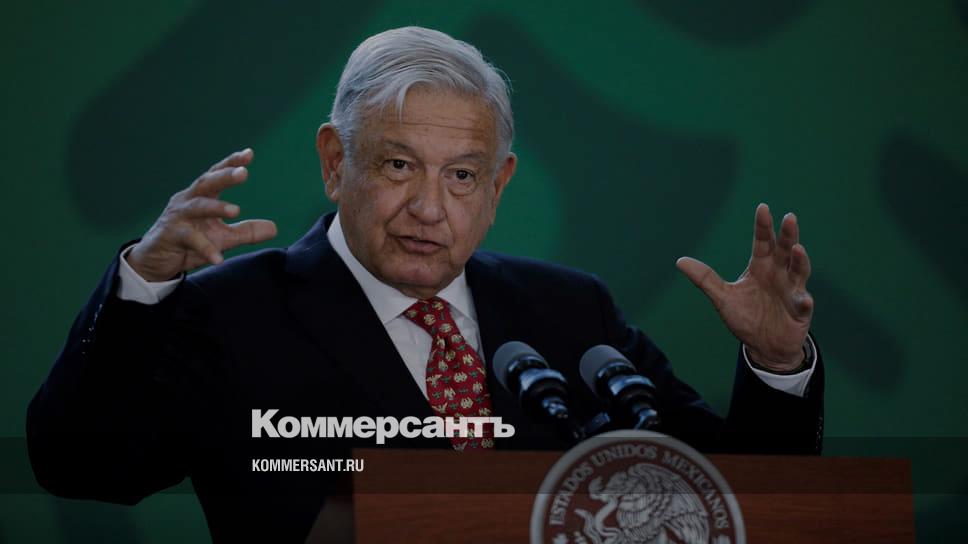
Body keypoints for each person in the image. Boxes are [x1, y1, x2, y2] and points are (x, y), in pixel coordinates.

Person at [26, 26, 823, 542]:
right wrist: (143, 286)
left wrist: (777, 365)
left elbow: (735, 500)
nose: (430, 208)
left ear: (500, 186)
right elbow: (84, 468)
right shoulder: (229, 314)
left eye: (463, 175)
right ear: (336, 162)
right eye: (399, 166)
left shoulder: (570, 312)